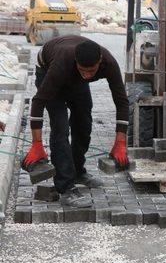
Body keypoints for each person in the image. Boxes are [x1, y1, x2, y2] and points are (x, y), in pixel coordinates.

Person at [21, 36, 129, 207]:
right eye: (82, 70)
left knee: (83, 122)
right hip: (48, 70)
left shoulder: (108, 62)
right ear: (76, 62)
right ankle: (65, 187)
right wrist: (36, 144)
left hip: (73, 77)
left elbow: (121, 101)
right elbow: (38, 101)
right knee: (60, 127)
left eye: (91, 71)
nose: (86, 75)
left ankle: (78, 171)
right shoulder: (62, 63)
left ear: (99, 62)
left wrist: (120, 142)